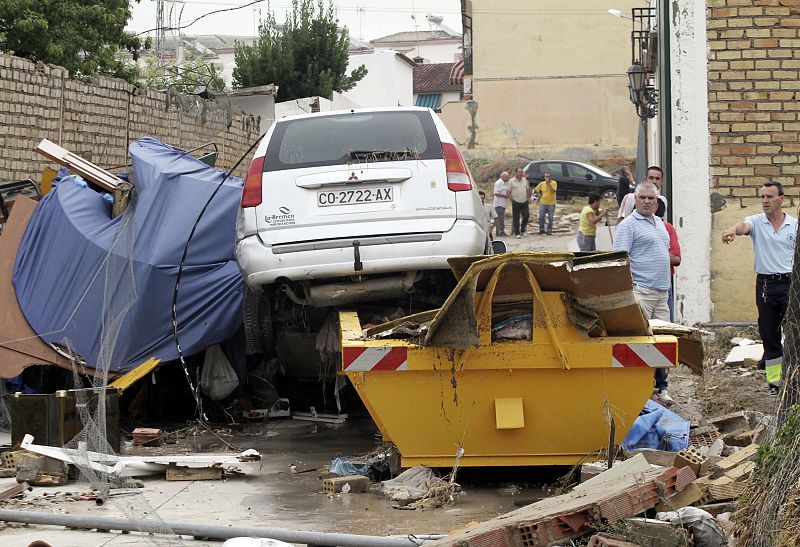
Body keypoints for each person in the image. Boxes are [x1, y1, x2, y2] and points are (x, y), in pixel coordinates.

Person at [721, 181, 797, 393]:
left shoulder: (794, 225)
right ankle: (775, 384)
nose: (765, 201)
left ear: (781, 199)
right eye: (762, 197)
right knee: (769, 333)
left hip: (790, 284)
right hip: (766, 284)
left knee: (794, 332)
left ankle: (793, 380)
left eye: (769, 197)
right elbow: (743, 226)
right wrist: (731, 230)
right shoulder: (756, 221)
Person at [613, 181, 673, 406]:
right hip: (641, 291)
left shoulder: (660, 224)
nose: (647, 202)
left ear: (657, 203)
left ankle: (661, 387)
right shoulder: (628, 225)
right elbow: (619, 259)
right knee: (642, 342)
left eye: (651, 198)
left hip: (661, 293)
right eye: (642, 198)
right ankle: (642, 391)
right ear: (634, 201)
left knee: (661, 342)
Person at [664, 221, 682, 321]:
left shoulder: (666, 228)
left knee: (666, 328)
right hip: (639, 286)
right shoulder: (629, 227)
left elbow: (676, 259)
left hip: (664, 285)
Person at [509, 168, 531, 238]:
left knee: (526, 215)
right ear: (516, 173)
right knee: (516, 218)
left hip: (524, 201)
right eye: (519, 172)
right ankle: (517, 233)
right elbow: (508, 191)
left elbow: (527, 189)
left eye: (521, 172)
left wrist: (528, 198)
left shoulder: (525, 180)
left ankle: (523, 230)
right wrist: (512, 199)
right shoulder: (511, 181)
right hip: (516, 201)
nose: (520, 174)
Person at [493, 171, 510, 236]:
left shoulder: (506, 183)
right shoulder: (498, 183)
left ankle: (499, 232)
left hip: (503, 203)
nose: (507, 178)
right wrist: (505, 196)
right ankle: (501, 232)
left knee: (500, 218)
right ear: (502, 176)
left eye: (508, 177)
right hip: (498, 203)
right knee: (500, 218)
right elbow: (495, 193)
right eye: (506, 177)